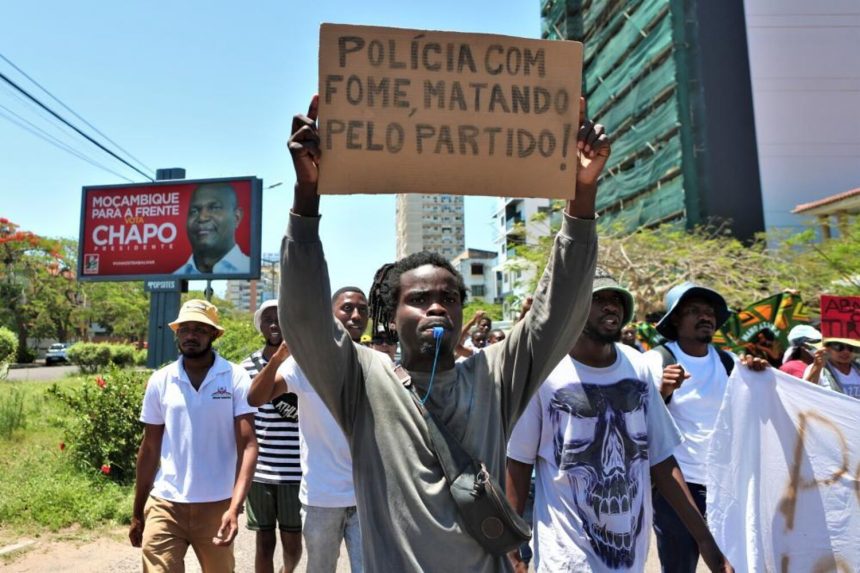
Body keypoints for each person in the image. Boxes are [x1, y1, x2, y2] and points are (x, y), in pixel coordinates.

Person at [279, 94, 608, 571]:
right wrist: (306, 195)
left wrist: (582, 193)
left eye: (449, 298)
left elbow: (558, 314)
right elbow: (306, 317)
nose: (437, 306)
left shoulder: (495, 376)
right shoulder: (363, 380)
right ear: (390, 316)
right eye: (418, 299)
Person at [506, 271, 732, 572]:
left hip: (630, 558)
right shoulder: (545, 373)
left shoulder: (637, 367)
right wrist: (509, 549)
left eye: (616, 300)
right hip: (567, 557)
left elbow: (662, 460)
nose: (610, 306)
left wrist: (705, 540)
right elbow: (518, 464)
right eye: (597, 299)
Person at [644, 283, 766, 573]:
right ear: (675, 319)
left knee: (731, 565)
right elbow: (639, 421)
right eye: (695, 311)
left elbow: (753, 411)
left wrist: (761, 376)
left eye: (710, 312)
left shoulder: (729, 362)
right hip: (676, 486)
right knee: (679, 566)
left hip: (725, 484)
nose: (706, 317)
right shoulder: (655, 361)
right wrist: (661, 391)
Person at [128, 299, 258, 572]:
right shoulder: (161, 379)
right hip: (166, 504)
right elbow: (150, 448)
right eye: (184, 328)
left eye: (199, 329)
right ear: (176, 333)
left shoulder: (234, 377)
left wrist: (235, 506)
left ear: (213, 334)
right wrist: (137, 511)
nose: (190, 335)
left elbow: (247, 445)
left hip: (217, 505)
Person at [249, 287, 370, 573]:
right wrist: (279, 357)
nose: (356, 315)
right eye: (347, 308)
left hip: (367, 496)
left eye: (362, 310)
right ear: (330, 315)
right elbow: (256, 398)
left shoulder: (375, 361)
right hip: (322, 497)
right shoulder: (304, 363)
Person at [240, 299, 302, 573]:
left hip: (297, 470)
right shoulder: (246, 366)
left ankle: (287, 571)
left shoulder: (306, 363)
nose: (275, 324)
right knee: (263, 541)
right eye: (268, 319)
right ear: (260, 326)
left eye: (280, 318)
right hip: (261, 470)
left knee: (292, 542)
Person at [175, 183, 250, 274]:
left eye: (214, 208)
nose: (202, 217)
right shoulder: (176, 275)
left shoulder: (248, 267)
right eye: (194, 211)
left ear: (236, 217)